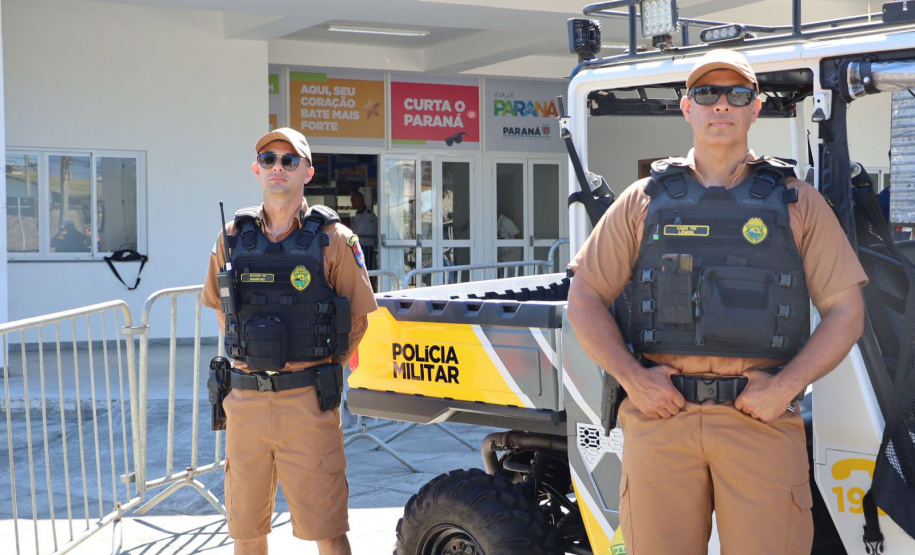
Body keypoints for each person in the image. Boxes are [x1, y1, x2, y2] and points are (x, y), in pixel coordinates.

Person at [566, 50, 867, 555]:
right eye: (707, 94)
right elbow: (585, 298)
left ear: (756, 109)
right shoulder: (643, 200)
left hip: (760, 420)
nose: (722, 105)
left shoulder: (797, 202)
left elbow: (846, 311)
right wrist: (633, 379)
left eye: (738, 95)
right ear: (687, 108)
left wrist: (787, 387)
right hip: (662, 419)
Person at [202, 127, 377, 555]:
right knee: (246, 531)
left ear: (307, 172)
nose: (277, 167)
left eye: (289, 160)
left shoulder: (335, 240)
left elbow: (357, 320)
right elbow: (225, 313)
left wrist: (319, 368)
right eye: (268, 160)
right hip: (244, 406)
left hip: (307, 403)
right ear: (256, 171)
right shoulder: (231, 237)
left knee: (328, 530)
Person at [350, 191, 377, 271]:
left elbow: (370, 233)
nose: (352, 203)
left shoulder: (369, 215)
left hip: (366, 248)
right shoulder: (358, 214)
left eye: (354, 200)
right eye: (352, 201)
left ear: (361, 200)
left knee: (366, 270)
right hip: (357, 247)